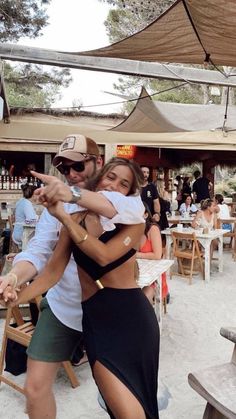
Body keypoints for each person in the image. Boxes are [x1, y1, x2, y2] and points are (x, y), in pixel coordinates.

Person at [0, 135, 145, 419]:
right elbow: (42, 254)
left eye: (78, 165)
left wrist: (71, 195)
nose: (72, 175)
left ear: (98, 163)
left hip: (110, 314)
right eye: (65, 169)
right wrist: (15, 279)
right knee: (35, 387)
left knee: (122, 400)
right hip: (64, 307)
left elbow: (118, 207)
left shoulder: (127, 202)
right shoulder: (65, 209)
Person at [136, 204, 168, 306]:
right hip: (139, 270)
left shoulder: (153, 229)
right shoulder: (132, 230)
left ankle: (148, 320)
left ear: (146, 215)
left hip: (153, 275)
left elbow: (157, 255)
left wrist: (137, 254)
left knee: (143, 297)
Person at [12, 183, 38, 249]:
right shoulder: (27, 203)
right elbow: (31, 220)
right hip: (23, 234)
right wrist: (38, 218)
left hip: (17, 232)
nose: (38, 197)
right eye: (37, 194)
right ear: (33, 194)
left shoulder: (21, 201)